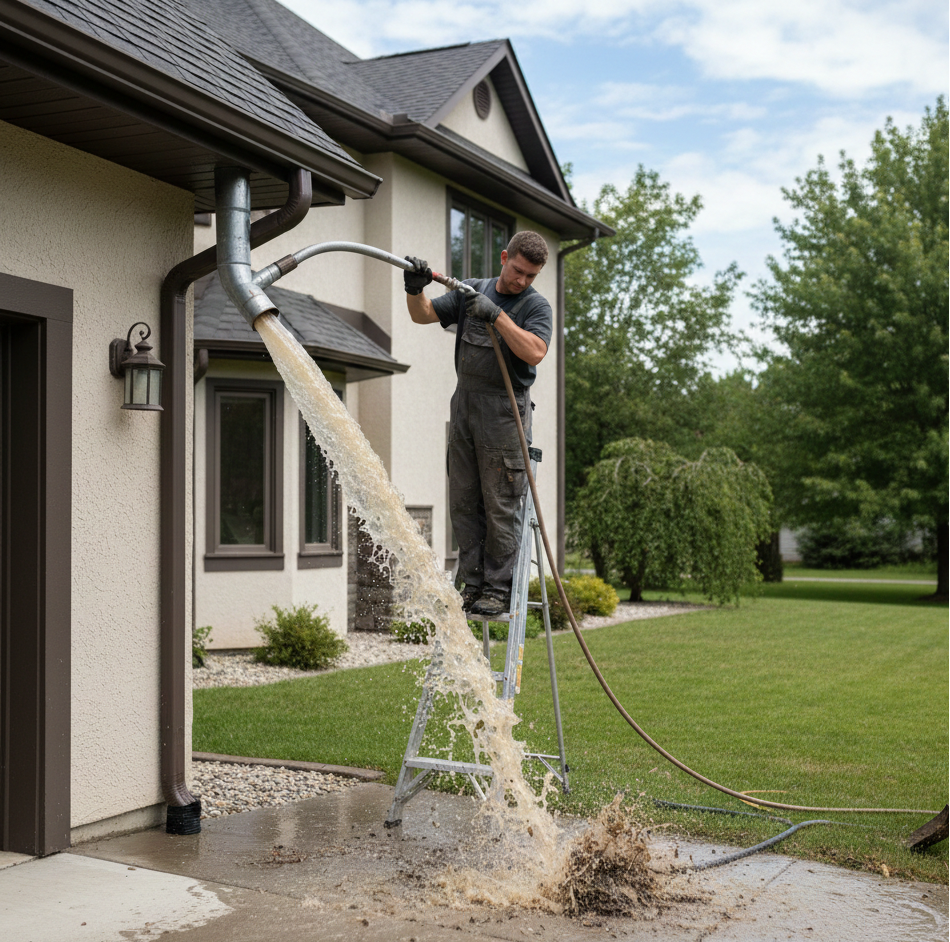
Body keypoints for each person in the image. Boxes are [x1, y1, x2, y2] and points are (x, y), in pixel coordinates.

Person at [403, 231, 552, 616]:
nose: (522, 281)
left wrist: (498, 315)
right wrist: (414, 288)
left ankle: (498, 589)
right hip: (465, 406)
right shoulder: (470, 290)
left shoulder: (536, 307)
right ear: (505, 257)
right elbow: (423, 314)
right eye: (518, 271)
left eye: (530, 276)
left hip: (505, 413)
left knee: (501, 502)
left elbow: (535, 352)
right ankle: (470, 586)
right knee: (464, 501)